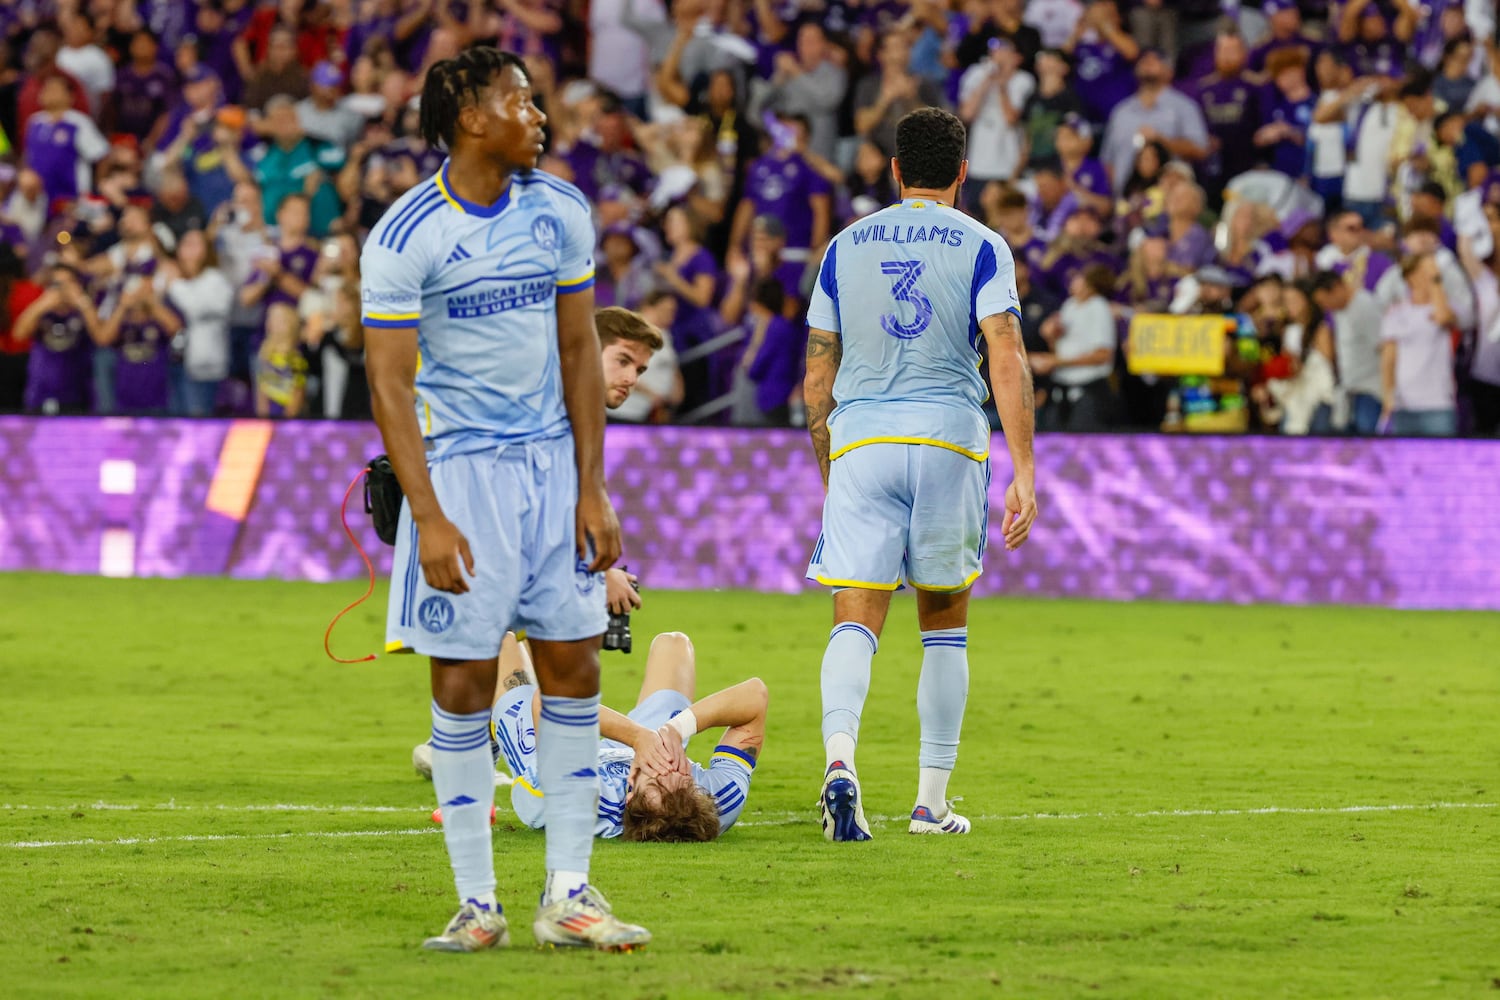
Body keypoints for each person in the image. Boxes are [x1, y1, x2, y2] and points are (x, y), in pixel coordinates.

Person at [360, 47, 648, 953]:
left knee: (575, 669)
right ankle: (477, 903)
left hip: (553, 469)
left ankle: (569, 894)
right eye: (519, 101)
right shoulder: (406, 237)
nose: (538, 114)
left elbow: (577, 352)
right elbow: (390, 385)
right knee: (462, 681)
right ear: (469, 119)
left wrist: (592, 487)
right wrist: (428, 512)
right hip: (460, 476)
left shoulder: (560, 211)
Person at [803, 108, 1038, 842]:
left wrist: (829, 462)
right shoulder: (983, 243)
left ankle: (841, 762)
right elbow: (1005, 350)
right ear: (963, 173)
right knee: (944, 624)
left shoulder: (844, 246)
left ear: (895, 171)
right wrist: (1024, 469)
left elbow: (818, 367)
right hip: (948, 438)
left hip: (863, 437)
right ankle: (930, 803)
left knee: (856, 614)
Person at [1380, 253, 1458, 436]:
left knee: (1441, 461)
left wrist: (1436, 280)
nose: (1429, 275)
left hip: (1438, 402)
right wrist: (1388, 395)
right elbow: (1388, 358)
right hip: (1404, 403)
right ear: (1410, 276)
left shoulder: (1447, 306)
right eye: (1424, 271)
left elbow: (1443, 318)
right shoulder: (1396, 311)